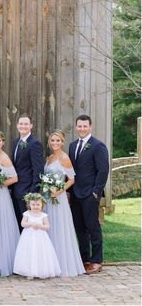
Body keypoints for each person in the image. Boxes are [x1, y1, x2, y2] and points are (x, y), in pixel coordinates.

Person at [69, 115, 109, 275]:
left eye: (85, 126)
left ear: (90, 127)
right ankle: (84, 258)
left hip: (90, 194)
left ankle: (97, 260)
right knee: (80, 228)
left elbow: (103, 170)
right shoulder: (72, 146)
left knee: (93, 227)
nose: (82, 129)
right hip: (75, 193)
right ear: (76, 127)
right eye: (79, 126)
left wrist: (95, 192)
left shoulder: (98, 146)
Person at [44, 130, 85, 276]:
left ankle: (62, 264)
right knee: (49, 229)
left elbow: (71, 179)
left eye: (58, 141)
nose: (55, 143)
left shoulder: (64, 157)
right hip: (47, 198)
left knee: (59, 228)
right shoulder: (49, 157)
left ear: (62, 142)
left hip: (58, 198)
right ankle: (50, 264)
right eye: (52, 140)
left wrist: (59, 191)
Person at [0, 130, 20, 276]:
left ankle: (5, 262)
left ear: (3, 142)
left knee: (1, 225)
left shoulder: (4, 157)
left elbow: (14, 178)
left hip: (1, 195)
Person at [13, 193, 61, 279]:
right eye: (33, 204)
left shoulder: (43, 215)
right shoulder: (27, 214)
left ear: (42, 204)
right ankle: (29, 272)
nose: (35, 206)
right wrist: (31, 223)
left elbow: (47, 226)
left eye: (38, 204)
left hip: (41, 237)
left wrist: (40, 226)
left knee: (40, 252)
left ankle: (41, 271)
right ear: (29, 205)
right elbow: (23, 224)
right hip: (28, 236)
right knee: (29, 252)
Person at [10, 115, 45, 229]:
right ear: (17, 125)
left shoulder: (35, 144)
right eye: (21, 124)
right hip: (15, 190)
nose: (23, 126)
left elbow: (38, 170)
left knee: (29, 226)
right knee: (19, 224)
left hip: (27, 192)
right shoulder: (16, 142)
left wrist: (32, 193)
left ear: (31, 126)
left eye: (26, 124)